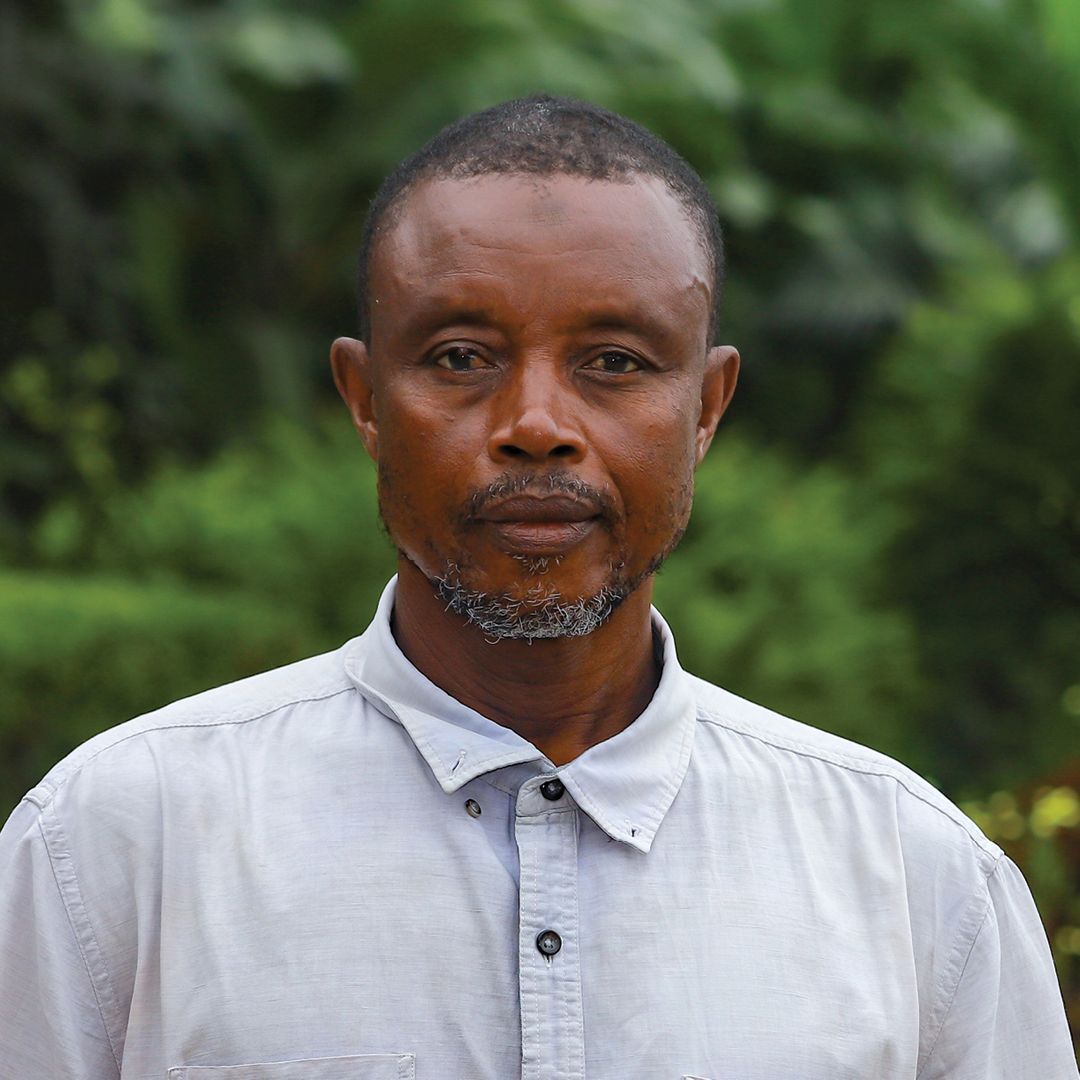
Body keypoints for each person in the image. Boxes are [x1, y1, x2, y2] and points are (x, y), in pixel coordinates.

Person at [0, 96, 1075, 1080]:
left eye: (614, 361)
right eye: (462, 356)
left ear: (705, 407)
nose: (536, 424)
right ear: (366, 399)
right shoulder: (111, 846)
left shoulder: (919, 881)